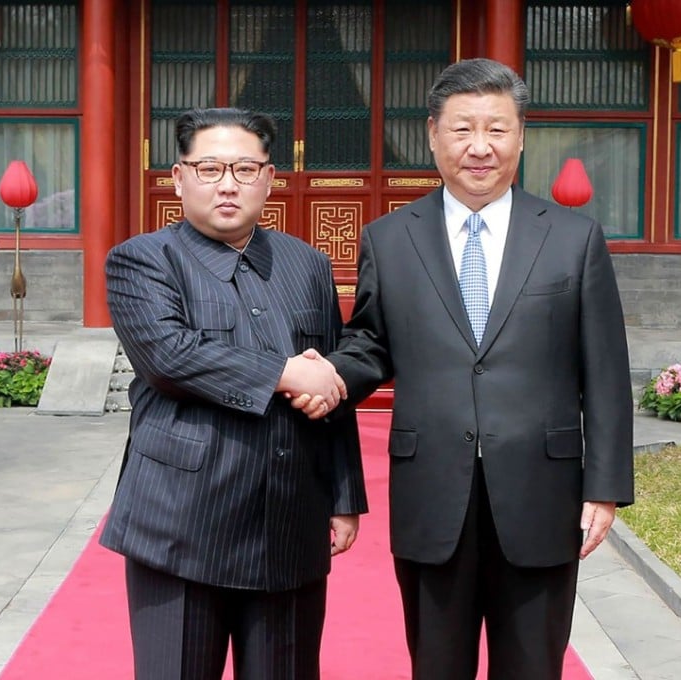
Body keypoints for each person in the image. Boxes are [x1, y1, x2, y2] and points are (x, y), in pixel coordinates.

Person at [296, 58, 634, 679]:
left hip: (542, 492)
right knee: (437, 665)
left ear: (521, 136)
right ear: (433, 135)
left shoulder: (573, 238)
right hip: (432, 491)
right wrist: (331, 376)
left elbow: (606, 371)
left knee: (533, 666)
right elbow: (371, 342)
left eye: (497, 129)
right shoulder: (389, 239)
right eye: (462, 129)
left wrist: (605, 486)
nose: (480, 147)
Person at [100, 107, 368, 680]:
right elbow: (169, 356)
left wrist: (344, 494)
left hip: (288, 522)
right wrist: (284, 373)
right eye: (210, 168)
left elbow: (329, 384)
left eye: (245, 169)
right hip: (179, 523)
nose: (228, 184)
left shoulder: (307, 264)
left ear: (270, 179)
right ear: (178, 178)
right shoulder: (142, 260)